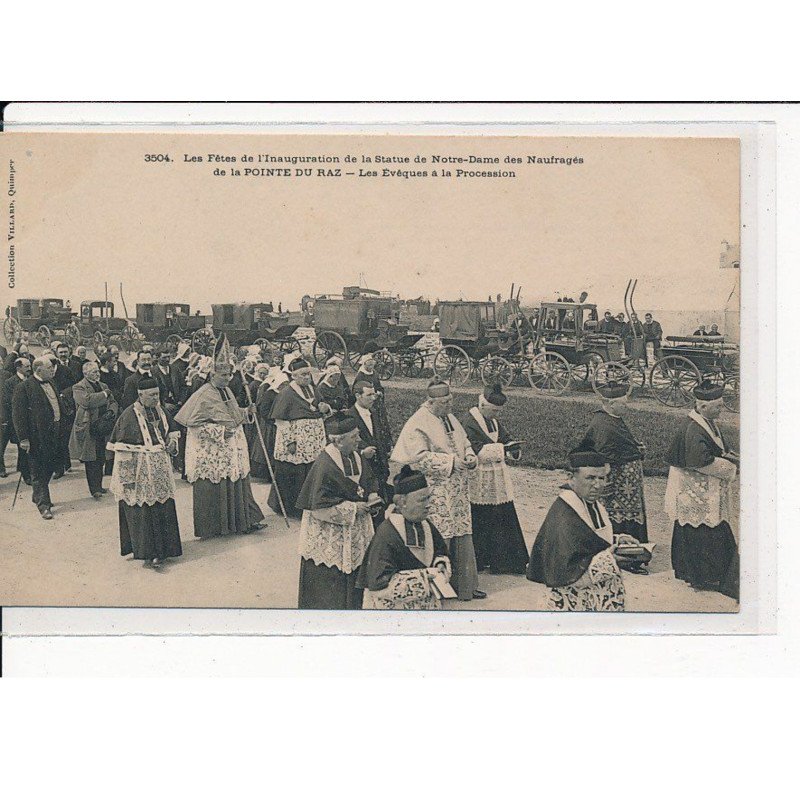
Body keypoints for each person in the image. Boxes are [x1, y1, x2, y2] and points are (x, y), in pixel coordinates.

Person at [391, 380, 485, 601]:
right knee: (440, 532)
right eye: (444, 402)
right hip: (434, 489)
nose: (449, 405)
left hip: (457, 488)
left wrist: (470, 456)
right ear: (431, 401)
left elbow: (464, 443)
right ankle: (440, 589)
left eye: (451, 400)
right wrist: (452, 462)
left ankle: (464, 586)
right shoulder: (418, 423)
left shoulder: (448, 417)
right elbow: (419, 458)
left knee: (461, 531)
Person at [175, 335, 266, 538]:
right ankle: (213, 528)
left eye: (229, 375)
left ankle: (244, 522)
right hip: (212, 451)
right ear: (212, 374)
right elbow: (194, 426)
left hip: (231, 447)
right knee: (214, 488)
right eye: (223, 375)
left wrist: (246, 412)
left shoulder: (226, 391)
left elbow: (232, 416)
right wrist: (220, 432)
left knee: (239, 484)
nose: (227, 379)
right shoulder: (203, 394)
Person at [527, 449, 635, 611]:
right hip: (574, 601)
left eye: (602, 478)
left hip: (598, 596)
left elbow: (588, 538)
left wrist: (616, 540)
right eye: (590, 478)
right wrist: (610, 560)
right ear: (571, 478)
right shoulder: (565, 514)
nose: (598, 485)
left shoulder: (589, 502)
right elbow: (566, 570)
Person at [295, 413, 382, 609]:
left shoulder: (355, 456)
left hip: (354, 529)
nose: (359, 440)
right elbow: (319, 508)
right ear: (338, 441)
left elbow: (368, 481)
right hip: (330, 533)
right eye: (354, 437)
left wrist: (372, 495)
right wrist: (353, 508)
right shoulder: (325, 464)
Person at [665, 381, 739, 598]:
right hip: (694, 488)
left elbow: (714, 448)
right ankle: (705, 576)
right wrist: (730, 467)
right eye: (718, 406)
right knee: (703, 526)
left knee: (707, 525)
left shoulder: (706, 421)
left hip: (698, 486)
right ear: (703, 406)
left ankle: (703, 573)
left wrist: (728, 455)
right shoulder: (694, 428)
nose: (721, 410)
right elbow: (700, 461)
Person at [107, 377, 183, 569]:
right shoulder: (128, 415)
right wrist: (127, 478)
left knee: (163, 507)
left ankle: (165, 550)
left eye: (157, 394)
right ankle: (149, 553)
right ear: (140, 395)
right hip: (140, 470)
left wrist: (173, 444)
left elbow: (172, 433)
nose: (156, 398)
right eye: (151, 395)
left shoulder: (161, 410)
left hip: (160, 469)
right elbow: (122, 449)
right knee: (143, 511)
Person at [358, 465, 453, 609]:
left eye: (428, 498)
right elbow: (380, 585)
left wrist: (440, 564)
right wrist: (423, 578)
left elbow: (440, 552)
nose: (428, 505)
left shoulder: (426, 524)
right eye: (422, 500)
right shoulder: (387, 533)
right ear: (402, 502)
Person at [461, 384, 528, 574]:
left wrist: (512, 448)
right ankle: (482, 559)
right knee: (482, 516)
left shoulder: (493, 421)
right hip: (479, 476)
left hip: (497, 475)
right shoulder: (469, 422)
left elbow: (505, 438)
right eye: (494, 410)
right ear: (483, 405)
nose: (496, 414)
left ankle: (505, 562)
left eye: (499, 411)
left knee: (501, 513)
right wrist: (503, 449)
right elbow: (475, 449)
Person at [575, 382, 648, 545]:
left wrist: (636, 448)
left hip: (627, 482)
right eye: (623, 403)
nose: (626, 407)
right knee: (620, 514)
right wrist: (605, 479)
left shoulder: (612, 418)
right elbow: (603, 453)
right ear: (611, 404)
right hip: (619, 482)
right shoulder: (603, 424)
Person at [268, 358, 330, 518]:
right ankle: (291, 508)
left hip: (314, 440)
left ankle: (310, 503)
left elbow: (321, 406)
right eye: (303, 374)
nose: (307, 377)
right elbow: (280, 420)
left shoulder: (313, 389)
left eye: (309, 374)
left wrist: (325, 408)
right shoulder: (287, 393)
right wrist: (290, 442)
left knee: (311, 469)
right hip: (296, 440)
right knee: (294, 472)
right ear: (294, 376)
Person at [12, 356, 64, 519]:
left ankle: (38, 494)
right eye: (49, 368)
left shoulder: (52, 383)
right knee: (38, 471)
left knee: (49, 466)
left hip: (54, 433)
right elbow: (18, 415)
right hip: (36, 437)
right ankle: (44, 505)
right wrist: (23, 439)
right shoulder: (24, 387)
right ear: (39, 370)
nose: (52, 370)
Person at [69, 360, 118, 499]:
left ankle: (99, 485)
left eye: (98, 371)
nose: (98, 374)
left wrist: (111, 412)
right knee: (91, 459)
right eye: (94, 372)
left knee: (102, 456)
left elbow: (113, 402)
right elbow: (87, 401)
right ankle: (94, 489)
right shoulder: (79, 387)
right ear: (85, 374)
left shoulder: (103, 385)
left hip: (104, 425)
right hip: (89, 427)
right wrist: (104, 395)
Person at [345, 380, 391, 501]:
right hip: (363, 469)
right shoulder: (349, 416)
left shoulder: (374, 413)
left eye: (374, 394)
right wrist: (362, 452)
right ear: (357, 396)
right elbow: (345, 444)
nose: (373, 398)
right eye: (369, 395)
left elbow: (379, 436)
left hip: (379, 467)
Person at [250, 366, 287, 480]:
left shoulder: (284, 393)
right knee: (268, 448)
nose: (285, 386)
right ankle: (266, 474)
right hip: (269, 425)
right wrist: (273, 420)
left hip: (279, 424)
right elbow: (263, 409)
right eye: (283, 384)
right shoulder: (269, 393)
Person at [1, 357, 32, 483]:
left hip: (27, 419)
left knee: (23, 448)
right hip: (12, 419)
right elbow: (8, 402)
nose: (29, 369)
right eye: (27, 367)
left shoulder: (30, 380)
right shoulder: (10, 382)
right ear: (18, 368)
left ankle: (25, 473)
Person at [53, 343, 78, 476]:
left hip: (70, 405)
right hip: (56, 408)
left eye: (65, 352)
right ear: (56, 353)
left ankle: (67, 463)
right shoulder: (52, 366)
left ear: (69, 352)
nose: (63, 354)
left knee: (67, 436)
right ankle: (61, 467)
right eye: (60, 352)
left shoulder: (74, 366)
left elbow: (76, 384)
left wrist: (65, 394)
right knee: (59, 438)